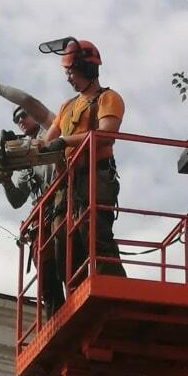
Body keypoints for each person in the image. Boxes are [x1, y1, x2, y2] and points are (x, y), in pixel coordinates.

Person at [0, 78, 65, 315]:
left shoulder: (53, 129)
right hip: (45, 214)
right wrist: (7, 180)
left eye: (23, 115)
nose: (20, 120)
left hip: (65, 201)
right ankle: (55, 313)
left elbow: (29, 101)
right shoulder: (27, 156)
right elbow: (17, 201)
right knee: (45, 266)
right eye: (16, 119)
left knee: (68, 257)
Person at [36, 38, 126, 280]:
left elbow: (106, 134)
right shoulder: (67, 107)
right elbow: (47, 142)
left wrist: (65, 142)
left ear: (87, 68)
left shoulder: (108, 98)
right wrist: (26, 149)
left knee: (95, 236)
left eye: (71, 71)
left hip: (95, 178)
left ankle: (114, 288)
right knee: (62, 246)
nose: (68, 78)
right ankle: (75, 293)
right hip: (68, 186)